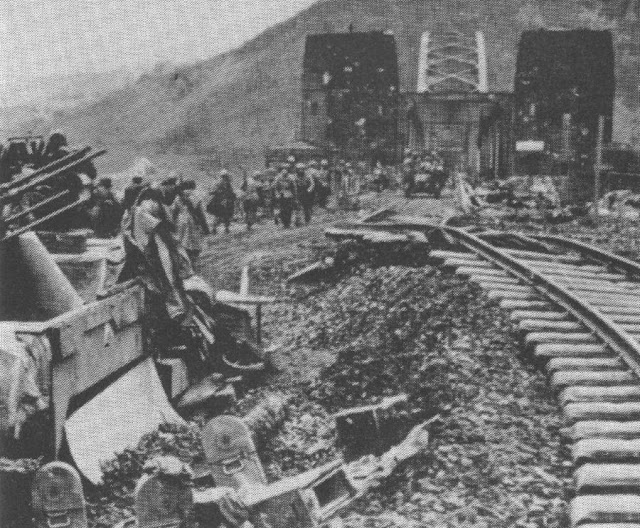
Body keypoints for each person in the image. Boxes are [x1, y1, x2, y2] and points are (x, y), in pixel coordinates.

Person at [173, 179, 210, 263]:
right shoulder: (196, 195)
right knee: (195, 240)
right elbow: (200, 213)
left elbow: (174, 211)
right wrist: (205, 227)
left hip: (181, 220)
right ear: (193, 186)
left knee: (183, 240)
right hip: (193, 220)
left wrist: (173, 222)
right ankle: (193, 258)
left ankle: (186, 257)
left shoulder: (178, 196)